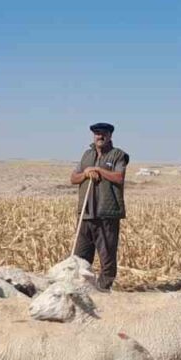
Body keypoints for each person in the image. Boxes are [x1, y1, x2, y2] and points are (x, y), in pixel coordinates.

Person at [70, 122, 129, 291]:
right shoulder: (87, 155)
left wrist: (98, 170)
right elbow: (73, 178)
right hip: (86, 212)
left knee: (107, 255)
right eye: (97, 133)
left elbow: (119, 177)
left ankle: (104, 289)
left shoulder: (118, 155)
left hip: (107, 213)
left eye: (103, 133)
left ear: (110, 135)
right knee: (80, 255)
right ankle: (82, 288)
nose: (100, 136)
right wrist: (85, 173)